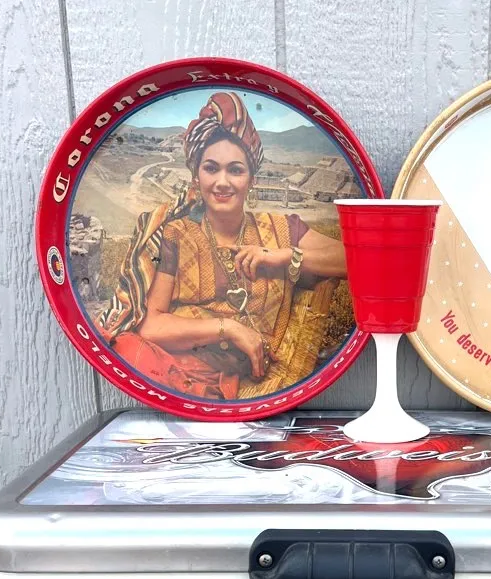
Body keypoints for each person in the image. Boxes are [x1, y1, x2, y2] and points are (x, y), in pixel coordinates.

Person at [98, 91, 348, 400]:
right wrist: (227, 328)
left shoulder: (281, 228)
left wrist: (284, 257)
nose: (222, 182)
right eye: (211, 168)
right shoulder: (178, 234)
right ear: (196, 176)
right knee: (126, 349)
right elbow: (152, 325)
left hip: (254, 376)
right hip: (180, 369)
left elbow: (353, 258)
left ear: (252, 179)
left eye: (236, 170)